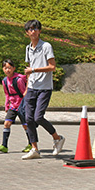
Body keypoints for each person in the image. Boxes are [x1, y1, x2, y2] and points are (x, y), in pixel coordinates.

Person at [22, 19, 65, 160]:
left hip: (44, 88)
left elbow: (52, 67)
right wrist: (27, 88)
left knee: (38, 117)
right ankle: (34, 149)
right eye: (30, 29)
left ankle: (57, 138)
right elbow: (29, 71)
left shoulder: (46, 46)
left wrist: (34, 70)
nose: (33, 31)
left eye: (35, 29)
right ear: (27, 32)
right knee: (28, 118)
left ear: (39, 31)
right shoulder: (28, 48)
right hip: (32, 87)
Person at [0, 58, 32, 154]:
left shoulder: (18, 80)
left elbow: (24, 93)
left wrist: (25, 106)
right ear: (3, 69)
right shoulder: (5, 81)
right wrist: (7, 105)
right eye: (5, 68)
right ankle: (4, 145)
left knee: (25, 126)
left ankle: (31, 144)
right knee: (7, 123)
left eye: (9, 68)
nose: (7, 70)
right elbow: (7, 94)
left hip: (21, 105)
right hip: (13, 106)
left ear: (14, 68)